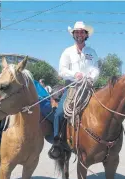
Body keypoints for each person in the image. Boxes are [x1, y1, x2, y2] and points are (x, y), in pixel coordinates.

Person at [48, 21, 100, 159]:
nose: (79, 34)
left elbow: (96, 68)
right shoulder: (67, 52)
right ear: (73, 34)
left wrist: (91, 77)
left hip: (88, 86)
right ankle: (57, 142)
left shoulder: (92, 52)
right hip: (72, 86)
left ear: (86, 34)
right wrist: (74, 75)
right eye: (77, 32)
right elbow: (62, 70)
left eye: (82, 32)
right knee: (59, 113)